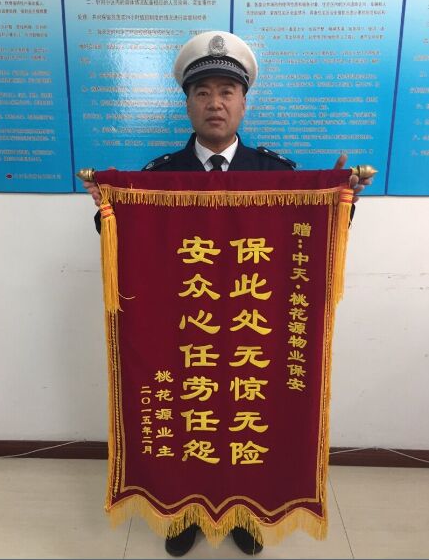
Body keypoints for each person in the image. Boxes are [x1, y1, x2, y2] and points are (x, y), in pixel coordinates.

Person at [84, 31, 372, 556]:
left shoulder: (278, 175)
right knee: (187, 414)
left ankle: (246, 510)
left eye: (226, 92)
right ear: (187, 104)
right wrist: (109, 206)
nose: (215, 103)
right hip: (182, 330)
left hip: (252, 329)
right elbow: (121, 245)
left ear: (243, 103)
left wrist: (340, 202)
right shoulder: (158, 177)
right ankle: (181, 511)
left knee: (248, 419)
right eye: (202, 92)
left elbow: (312, 244)